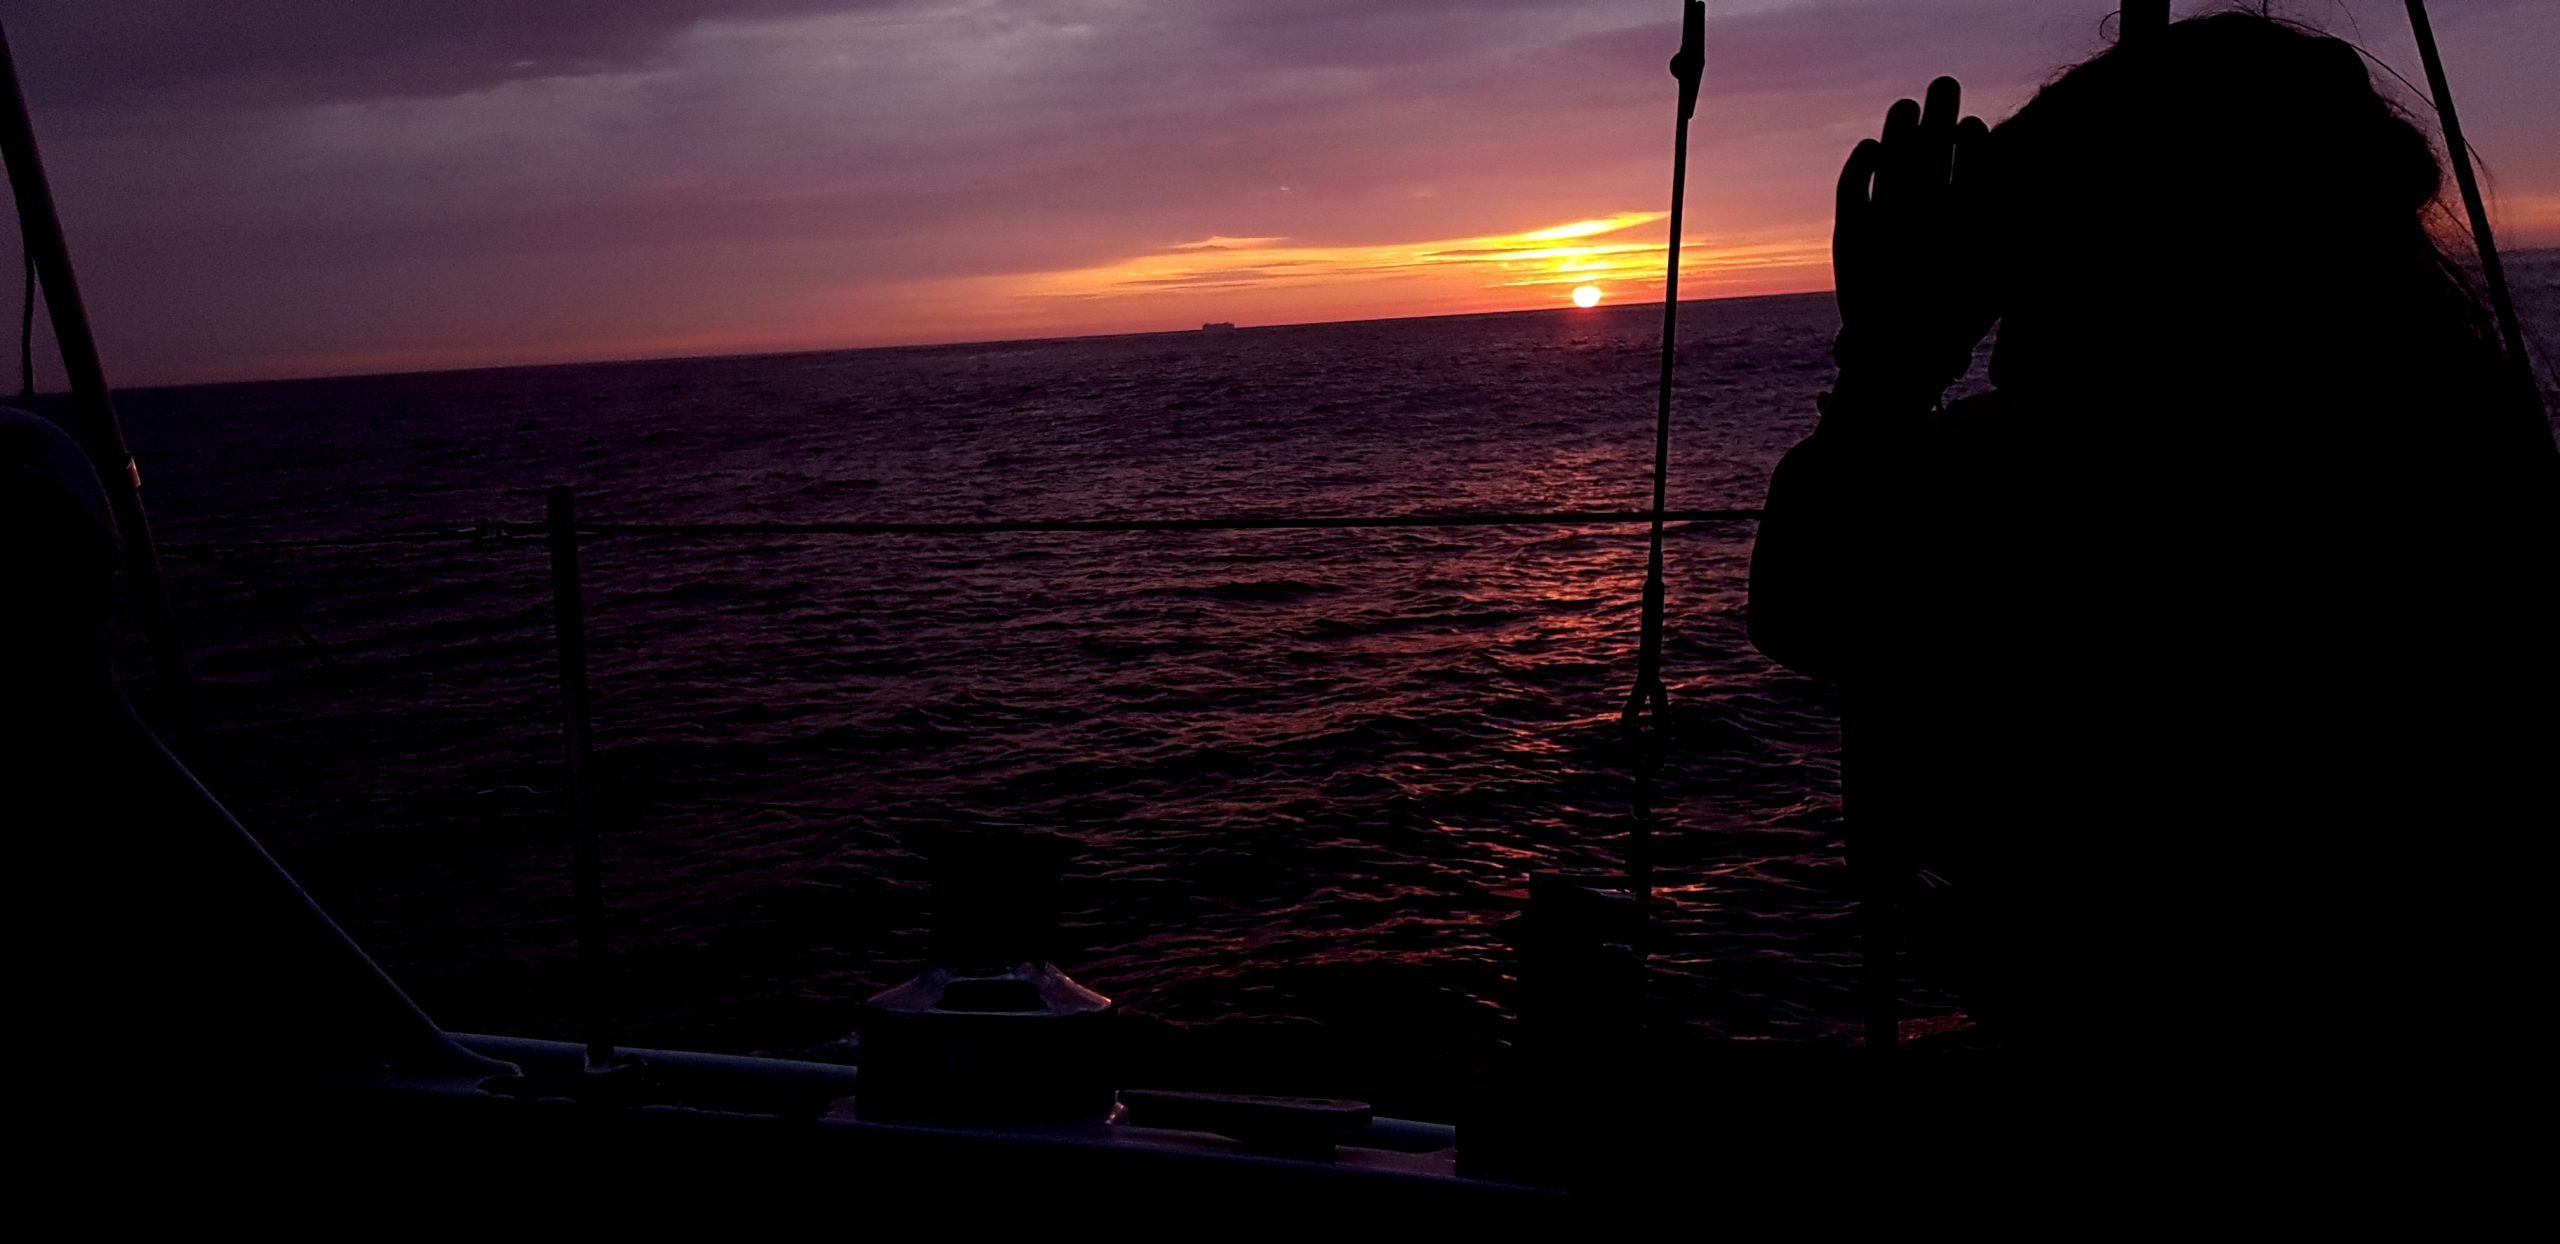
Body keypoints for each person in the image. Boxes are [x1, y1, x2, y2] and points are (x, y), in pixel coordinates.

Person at [1748, 13, 2555, 1089]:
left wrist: (1888, 364)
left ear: (2162, 267)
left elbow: (1809, 602)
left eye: (2046, 257)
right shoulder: (2459, 462)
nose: (2017, 313)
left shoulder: (2081, 494)